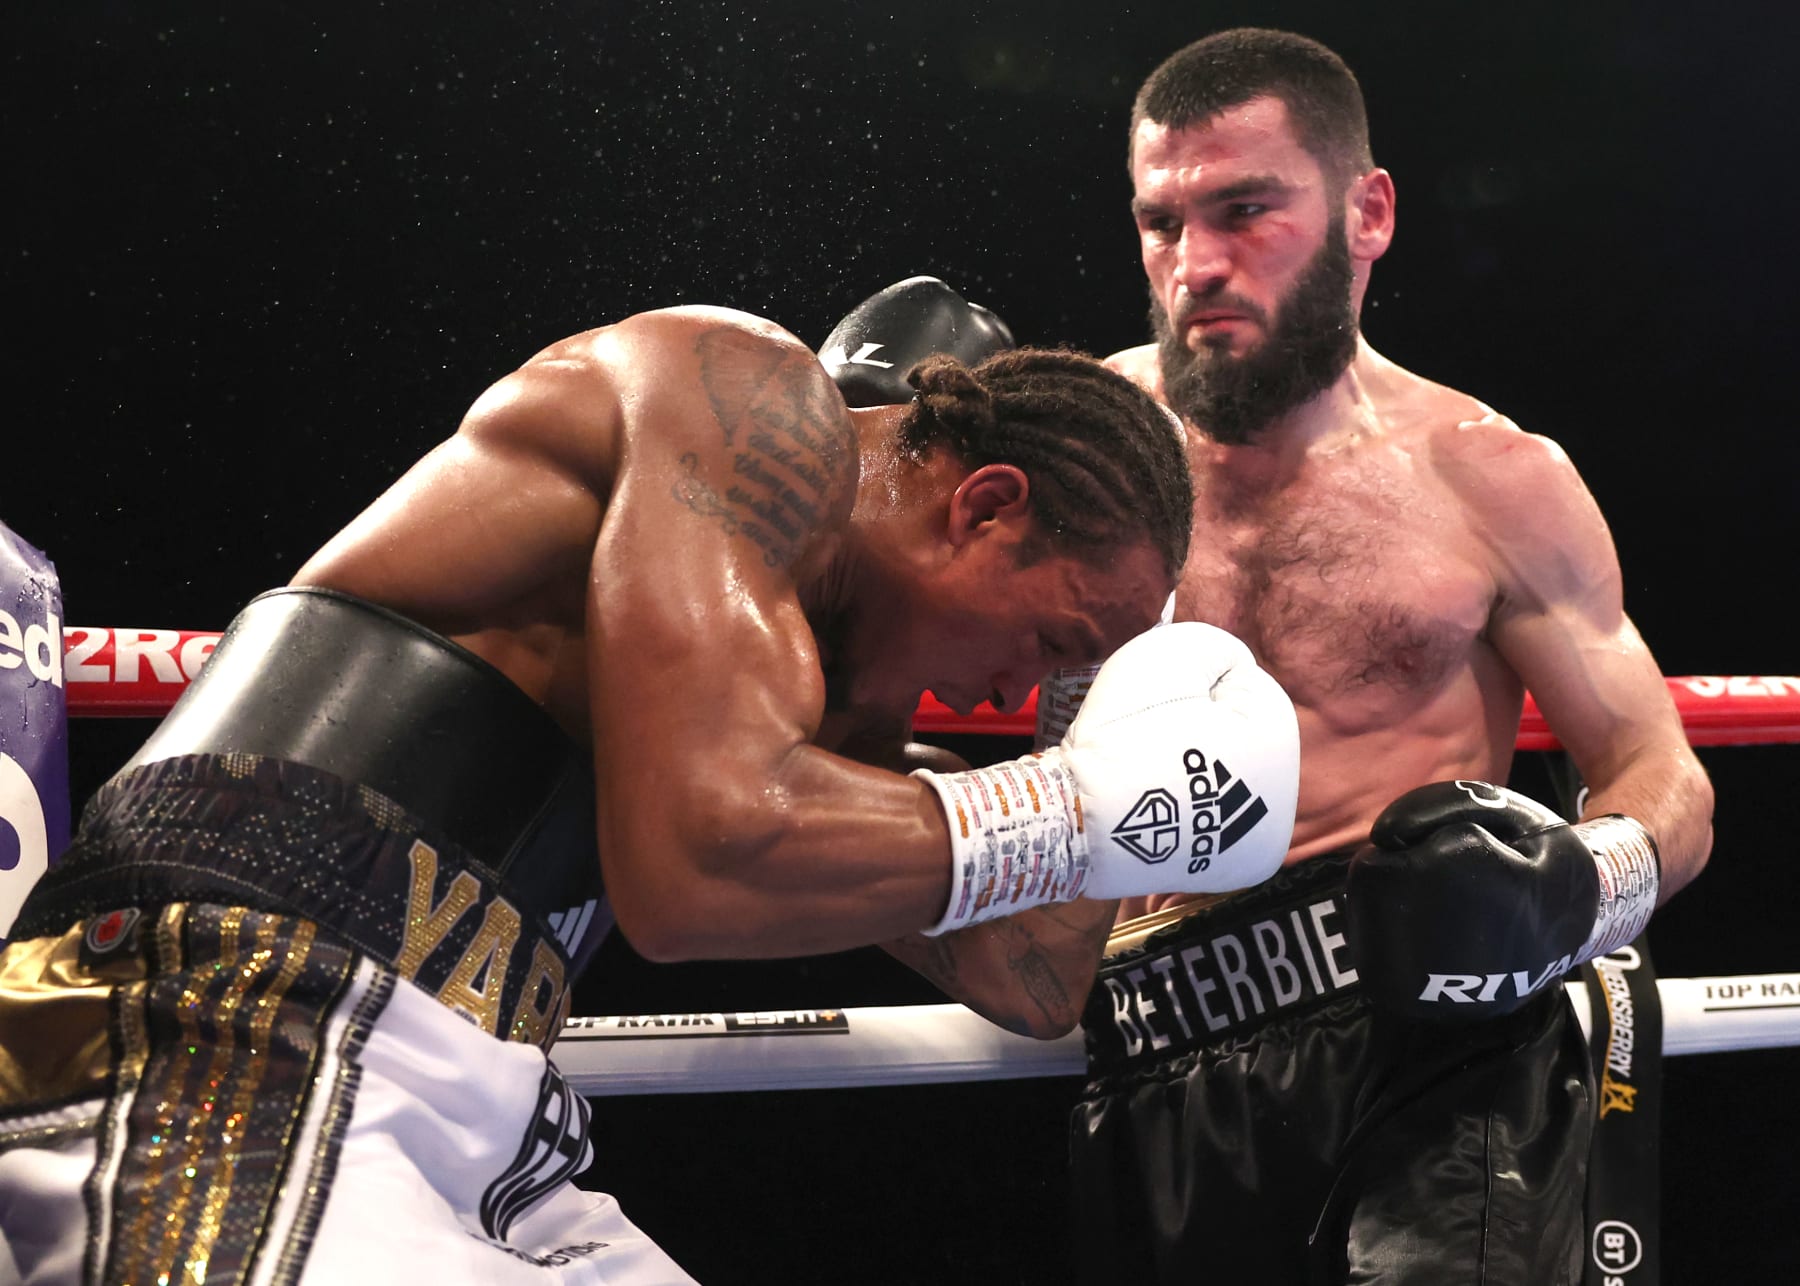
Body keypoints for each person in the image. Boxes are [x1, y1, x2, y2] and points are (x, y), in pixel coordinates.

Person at [0, 279, 1304, 1285]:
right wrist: (1073, 808)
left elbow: (1031, 973)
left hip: (477, 1103)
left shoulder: (798, 710)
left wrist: (1105, 732)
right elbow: (694, 872)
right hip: (224, 1016)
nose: (1004, 694)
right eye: (1050, 640)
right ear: (982, 504)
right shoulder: (737, 391)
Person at [890, 29, 1716, 1284]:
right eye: (1161, 224)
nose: (1196, 266)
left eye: (1245, 211)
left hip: (1440, 1045)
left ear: (1366, 212)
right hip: (1158, 1047)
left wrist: (1575, 886)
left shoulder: (1490, 476)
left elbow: (1663, 773)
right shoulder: (1065, 475)